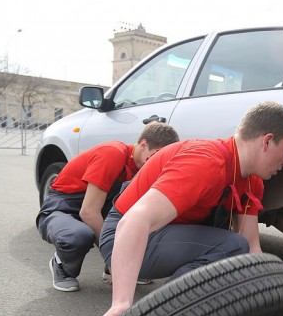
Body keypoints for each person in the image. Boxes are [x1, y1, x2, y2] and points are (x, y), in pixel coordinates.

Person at [90, 101, 283, 316]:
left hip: (164, 234)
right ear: (267, 141)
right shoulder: (207, 161)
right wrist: (121, 303)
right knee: (229, 246)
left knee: (237, 247)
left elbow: (251, 246)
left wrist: (263, 303)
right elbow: (135, 221)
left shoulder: (251, 181)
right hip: (124, 236)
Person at [36, 122, 180, 292]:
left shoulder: (144, 166)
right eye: (155, 156)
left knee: (141, 221)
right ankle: (62, 266)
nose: (157, 162)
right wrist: (114, 256)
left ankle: (112, 268)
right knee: (78, 236)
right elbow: (89, 212)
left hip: (98, 206)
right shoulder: (112, 154)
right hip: (63, 207)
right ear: (143, 145)